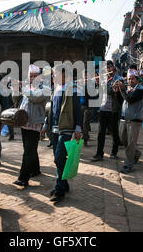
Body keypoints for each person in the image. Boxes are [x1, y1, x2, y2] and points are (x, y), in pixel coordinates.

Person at [41, 66, 82, 202]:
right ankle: (63, 184)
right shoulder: (56, 89)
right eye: (53, 75)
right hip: (54, 129)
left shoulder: (73, 89)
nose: (53, 77)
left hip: (66, 128)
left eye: (55, 75)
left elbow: (78, 109)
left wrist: (78, 128)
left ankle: (59, 190)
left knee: (59, 158)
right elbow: (50, 110)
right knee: (59, 159)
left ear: (65, 75)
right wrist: (45, 124)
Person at [13, 64, 51, 187]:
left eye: (35, 76)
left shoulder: (45, 88)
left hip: (35, 123)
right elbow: (16, 101)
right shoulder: (27, 87)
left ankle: (23, 178)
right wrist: (15, 89)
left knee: (28, 151)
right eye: (30, 76)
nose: (32, 78)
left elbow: (35, 98)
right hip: (24, 122)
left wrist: (24, 88)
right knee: (29, 149)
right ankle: (35, 169)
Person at [92, 60, 123, 161]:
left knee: (114, 132)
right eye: (107, 68)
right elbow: (99, 92)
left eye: (110, 67)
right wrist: (97, 83)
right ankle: (99, 153)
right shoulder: (104, 78)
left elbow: (110, 91)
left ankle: (114, 152)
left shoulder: (119, 79)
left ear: (113, 67)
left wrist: (101, 83)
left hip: (113, 110)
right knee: (101, 132)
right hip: (103, 109)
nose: (108, 70)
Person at [117, 70, 143, 173]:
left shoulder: (141, 90)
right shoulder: (129, 89)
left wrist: (122, 90)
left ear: (137, 79)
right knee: (123, 139)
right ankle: (136, 154)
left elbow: (130, 99)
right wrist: (118, 90)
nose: (130, 80)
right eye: (129, 79)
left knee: (131, 143)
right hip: (125, 118)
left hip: (135, 120)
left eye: (132, 78)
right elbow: (123, 100)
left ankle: (128, 165)